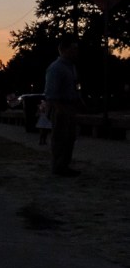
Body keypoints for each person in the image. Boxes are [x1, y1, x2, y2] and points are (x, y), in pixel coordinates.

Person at [44, 35, 82, 177]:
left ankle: (63, 165)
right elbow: (51, 93)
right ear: (63, 50)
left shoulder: (70, 67)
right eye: (73, 49)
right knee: (60, 138)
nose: (76, 52)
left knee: (69, 138)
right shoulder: (56, 68)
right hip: (60, 106)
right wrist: (60, 109)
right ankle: (58, 166)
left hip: (69, 106)